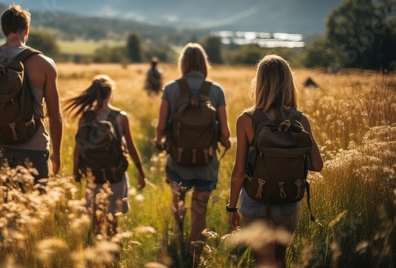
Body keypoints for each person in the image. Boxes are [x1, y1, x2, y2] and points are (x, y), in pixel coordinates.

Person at [227, 54, 323, 268]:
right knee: (279, 259)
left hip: (254, 198)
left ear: (259, 83)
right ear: (289, 83)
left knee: (262, 260)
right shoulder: (300, 120)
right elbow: (317, 165)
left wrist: (232, 208)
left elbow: (239, 172)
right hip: (288, 198)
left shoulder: (246, 120)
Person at [0, 4, 63, 189]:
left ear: (3, 30)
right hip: (34, 147)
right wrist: (56, 154)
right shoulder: (44, 64)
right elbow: (55, 115)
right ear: (26, 29)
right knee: (34, 212)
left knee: (1, 209)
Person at [154, 43, 231, 262]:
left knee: (178, 199)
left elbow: (161, 125)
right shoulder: (216, 90)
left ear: (183, 63)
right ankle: (195, 258)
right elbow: (225, 132)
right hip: (206, 164)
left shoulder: (171, 88)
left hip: (178, 161)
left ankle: (177, 241)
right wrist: (226, 142)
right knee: (200, 211)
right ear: (204, 63)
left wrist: (158, 141)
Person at [63, 74, 146, 236]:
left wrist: (76, 172)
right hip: (115, 175)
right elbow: (131, 146)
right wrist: (141, 173)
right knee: (113, 221)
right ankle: (113, 256)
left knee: (96, 219)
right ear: (110, 93)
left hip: (93, 174)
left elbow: (78, 149)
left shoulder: (85, 117)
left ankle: (97, 253)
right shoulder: (121, 117)